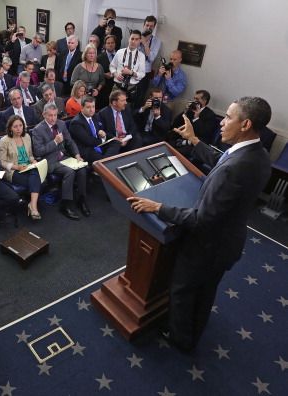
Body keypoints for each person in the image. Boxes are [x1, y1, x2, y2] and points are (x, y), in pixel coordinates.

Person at [127, 97, 273, 352]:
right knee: (204, 291)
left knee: (182, 290)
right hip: (228, 241)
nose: (222, 122)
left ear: (245, 124)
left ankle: (180, 340)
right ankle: (193, 331)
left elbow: (201, 219)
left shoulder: (236, 168)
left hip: (207, 247)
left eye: (228, 117)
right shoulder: (258, 154)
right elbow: (222, 160)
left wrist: (157, 207)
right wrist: (195, 141)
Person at [31, 103, 89, 220]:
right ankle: (66, 205)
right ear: (44, 115)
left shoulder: (61, 124)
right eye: (50, 116)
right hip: (50, 161)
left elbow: (70, 141)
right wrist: (55, 142)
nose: (53, 118)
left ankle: (81, 200)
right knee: (70, 172)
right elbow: (38, 152)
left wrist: (77, 155)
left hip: (64, 157)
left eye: (55, 115)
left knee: (82, 168)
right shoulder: (37, 130)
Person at [0, 115, 43, 219]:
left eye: (20, 125)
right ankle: (34, 207)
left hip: (28, 167)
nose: (19, 129)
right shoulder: (4, 141)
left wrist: (33, 161)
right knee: (35, 179)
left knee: (35, 172)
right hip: (14, 171)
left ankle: (32, 205)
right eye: (15, 126)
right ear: (10, 128)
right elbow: (2, 162)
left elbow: (30, 155)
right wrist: (17, 167)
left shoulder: (26, 137)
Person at [69, 96, 119, 163]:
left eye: (93, 106)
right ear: (82, 108)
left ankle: (104, 162)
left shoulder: (95, 116)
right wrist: (103, 140)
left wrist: (108, 136)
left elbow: (103, 130)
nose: (92, 110)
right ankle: (105, 163)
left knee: (116, 142)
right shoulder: (76, 123)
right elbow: (88, 141)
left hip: (98, 144)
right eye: (88, 107)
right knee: (98, 156)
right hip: (87, 149)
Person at [109, 30, 145, 106]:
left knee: (126, 112)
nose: (133, 41)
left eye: (136, 39)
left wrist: (131, 73)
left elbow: (142, 74)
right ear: (129, 39)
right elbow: (112, 66)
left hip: (131, 88)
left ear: (139, 41)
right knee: (111, 109)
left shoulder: (141, 56)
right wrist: (115, 74)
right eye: (132, 39)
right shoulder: (119, 52)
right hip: (118, 86)